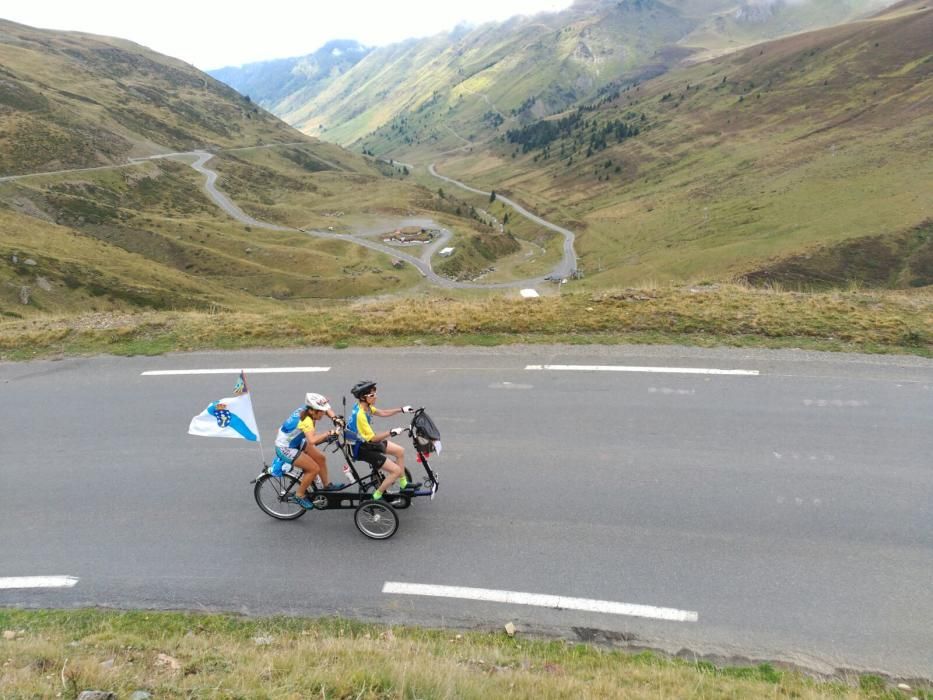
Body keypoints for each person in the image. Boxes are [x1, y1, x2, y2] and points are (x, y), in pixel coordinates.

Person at [347, 380, 418, 501]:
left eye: (375, 393)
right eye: (372, 395)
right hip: (361, 449)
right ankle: (376, 497)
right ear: (363, 397)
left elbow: (383, 412)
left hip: (367, 443)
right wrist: (391, 432)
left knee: (400, 451)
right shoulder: (360, 415)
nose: (376, 396)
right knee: (395, 471)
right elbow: (373, 438)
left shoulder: (366, 407)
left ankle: (403, 484)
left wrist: (402, 409)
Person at [273, 392, 344, 510]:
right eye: (320, 412)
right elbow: (312, 440)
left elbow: (326, 407)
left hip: (295, 441)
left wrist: (334, 418)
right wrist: (329, 433)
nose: (322, 413)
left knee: (321, 458)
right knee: (313, 469)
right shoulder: (306, 420)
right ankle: (299, 495)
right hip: (286, 448)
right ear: (312, 411)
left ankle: (326, 486)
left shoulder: (309, 409)